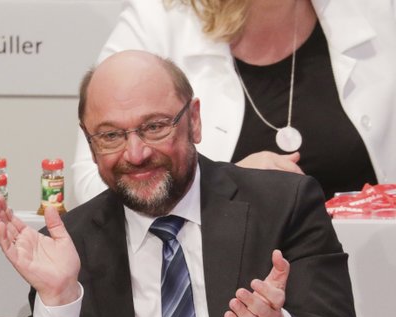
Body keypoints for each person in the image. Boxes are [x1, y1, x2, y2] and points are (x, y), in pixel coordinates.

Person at [0, 50, 390, 317]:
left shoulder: (284, 205)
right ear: (89, 143)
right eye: (110, 135)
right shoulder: (72, 244)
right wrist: (58, 303)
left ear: (193, 120)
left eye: (155, 127)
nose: (136, 153)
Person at [70, 0, 396, 206]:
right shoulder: (159, 19)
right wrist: (222, 185)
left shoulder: (379, 12)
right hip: (219, 298)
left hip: (371, 298)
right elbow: (92, 186)